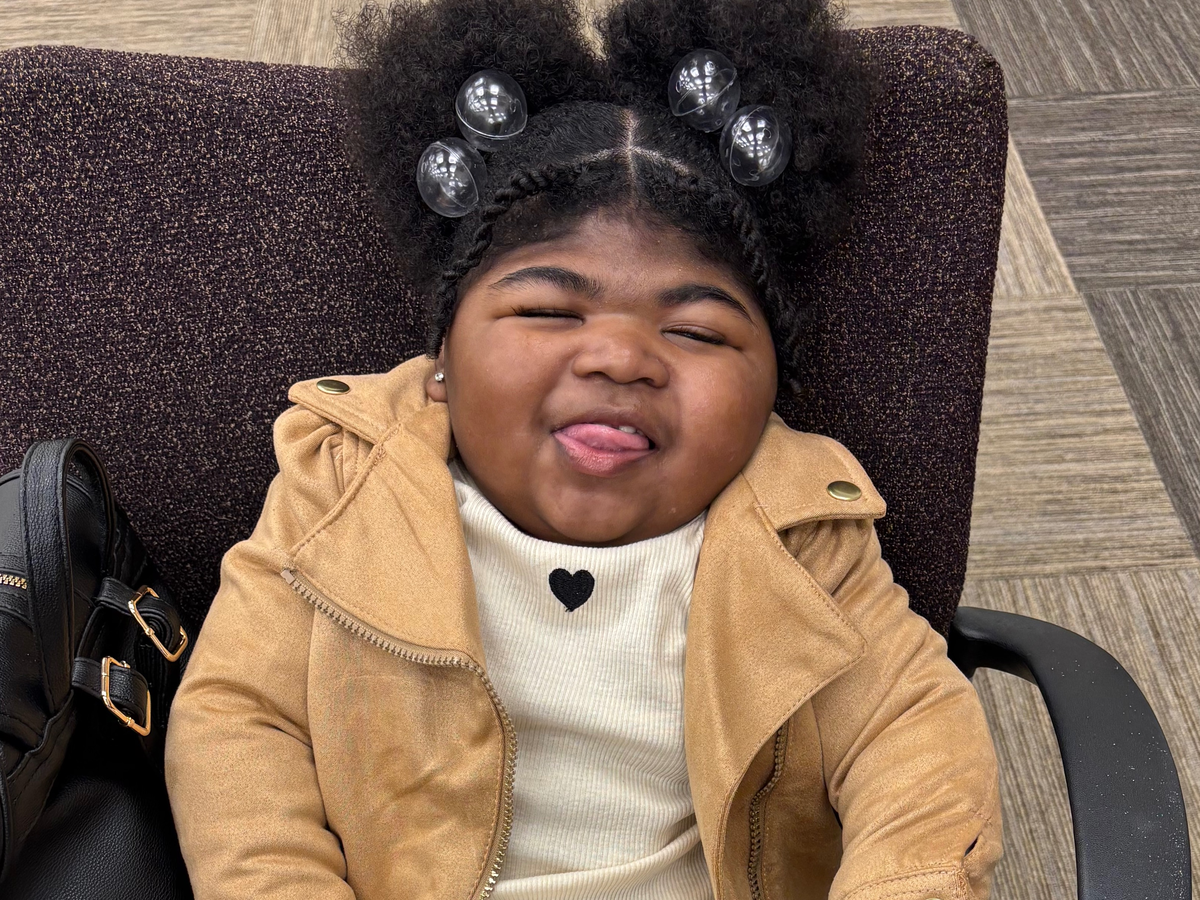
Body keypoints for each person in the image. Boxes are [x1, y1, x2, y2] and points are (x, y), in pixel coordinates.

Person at [163, 0, 1003, 896]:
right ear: (443, 355)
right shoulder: (342, 481)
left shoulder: (804, 539)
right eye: (548, 311)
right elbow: (240, 720)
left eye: (697, 332)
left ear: (771, 390)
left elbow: (915, 739)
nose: (618, 358)